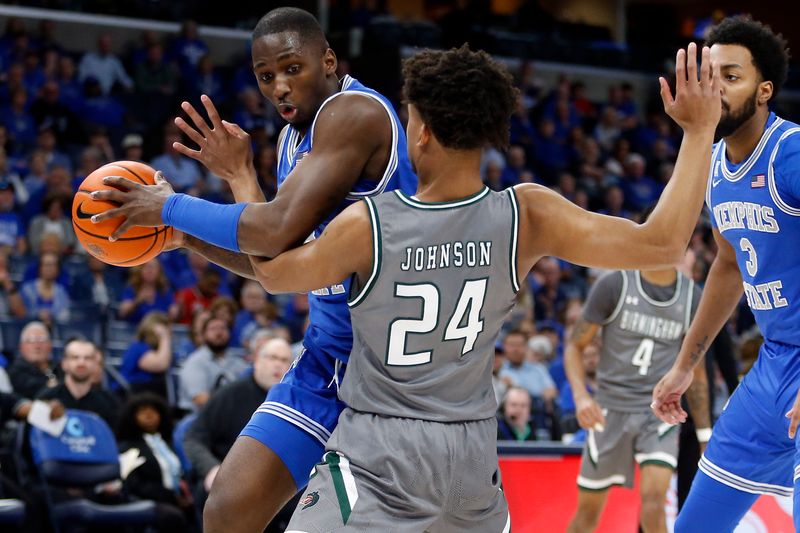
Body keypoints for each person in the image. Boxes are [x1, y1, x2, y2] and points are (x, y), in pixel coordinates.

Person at [100, 33, 715, 528]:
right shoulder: (529, 213)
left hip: (381, 426)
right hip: (471, 445)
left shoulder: (373, 224)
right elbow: (661, 240)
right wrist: (696, 133)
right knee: (229, 509)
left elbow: (272, 264)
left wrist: (205, 197)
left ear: (417, 131)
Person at [89, 7, 417, 530]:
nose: (279, 87)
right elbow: (274, 266)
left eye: (292, 69)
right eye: (266, 77)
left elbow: (271, 230)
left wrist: (170, 208)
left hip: (388, 372)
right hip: (327, 358)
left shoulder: (354, 114)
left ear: (328, 59)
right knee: (226, 512)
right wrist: (188, 229)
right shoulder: (293, 140)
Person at [650, 17, 800, 531]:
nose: (715, 88)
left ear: (764, 91)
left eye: (730, 76)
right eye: (709, 76)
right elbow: (728, 266)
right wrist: (685, 365)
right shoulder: (712, 163)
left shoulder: (792, 152)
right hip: (773, 367)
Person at [564, 258, 707, 533]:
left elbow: (697, 372)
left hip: (659, 411)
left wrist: (704, 433)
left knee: (654, 502)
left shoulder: (692, 296)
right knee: (587, 516)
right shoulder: (614, 284)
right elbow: (575, 345)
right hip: (608, 410)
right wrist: (582, 397)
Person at [183, 338, 292, 498]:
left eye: (284, 360)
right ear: (257, 361)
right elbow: (193, 439)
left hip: (277, 485)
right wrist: (211, 469)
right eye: (272, 358)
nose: (278, 364)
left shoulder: (294, 403)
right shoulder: (230, 394)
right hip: (229, 480)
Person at [116, 393, 193, 532]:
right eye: (142, 412)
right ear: (131, 417)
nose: (149, 416)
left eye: (153, 411)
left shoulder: (168, 443)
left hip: (177, 499)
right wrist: (171, 497)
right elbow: (134, 484)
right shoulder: (127, 448)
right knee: (172, 516)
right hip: (148, 501)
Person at [36, 338, 120, 427]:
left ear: (95, 364)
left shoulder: (110, 403)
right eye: (75, 357)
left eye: (87, 358)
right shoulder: (46, 399)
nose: (81, 363)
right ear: (64, 364)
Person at [178, 315, 247, 412]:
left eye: (223, 328)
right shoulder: (195, 362)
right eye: (213, 329)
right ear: (203, 334)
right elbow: (200, 399)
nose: (219, 333)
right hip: (198, 418)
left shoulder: (238, 363)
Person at [119, 311, 173, 397]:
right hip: (131, 395)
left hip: (148, 393)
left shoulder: (156, 349)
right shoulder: (139, 347)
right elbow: (161, 365)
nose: (170, 334)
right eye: (167, 330)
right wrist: (164, 337)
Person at [8, 321, 57, 398]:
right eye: (31, 341)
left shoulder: (59, 368)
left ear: (50, 345)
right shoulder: (15, 371)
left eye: (42, 340)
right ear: (21, 347)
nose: (37, 346)